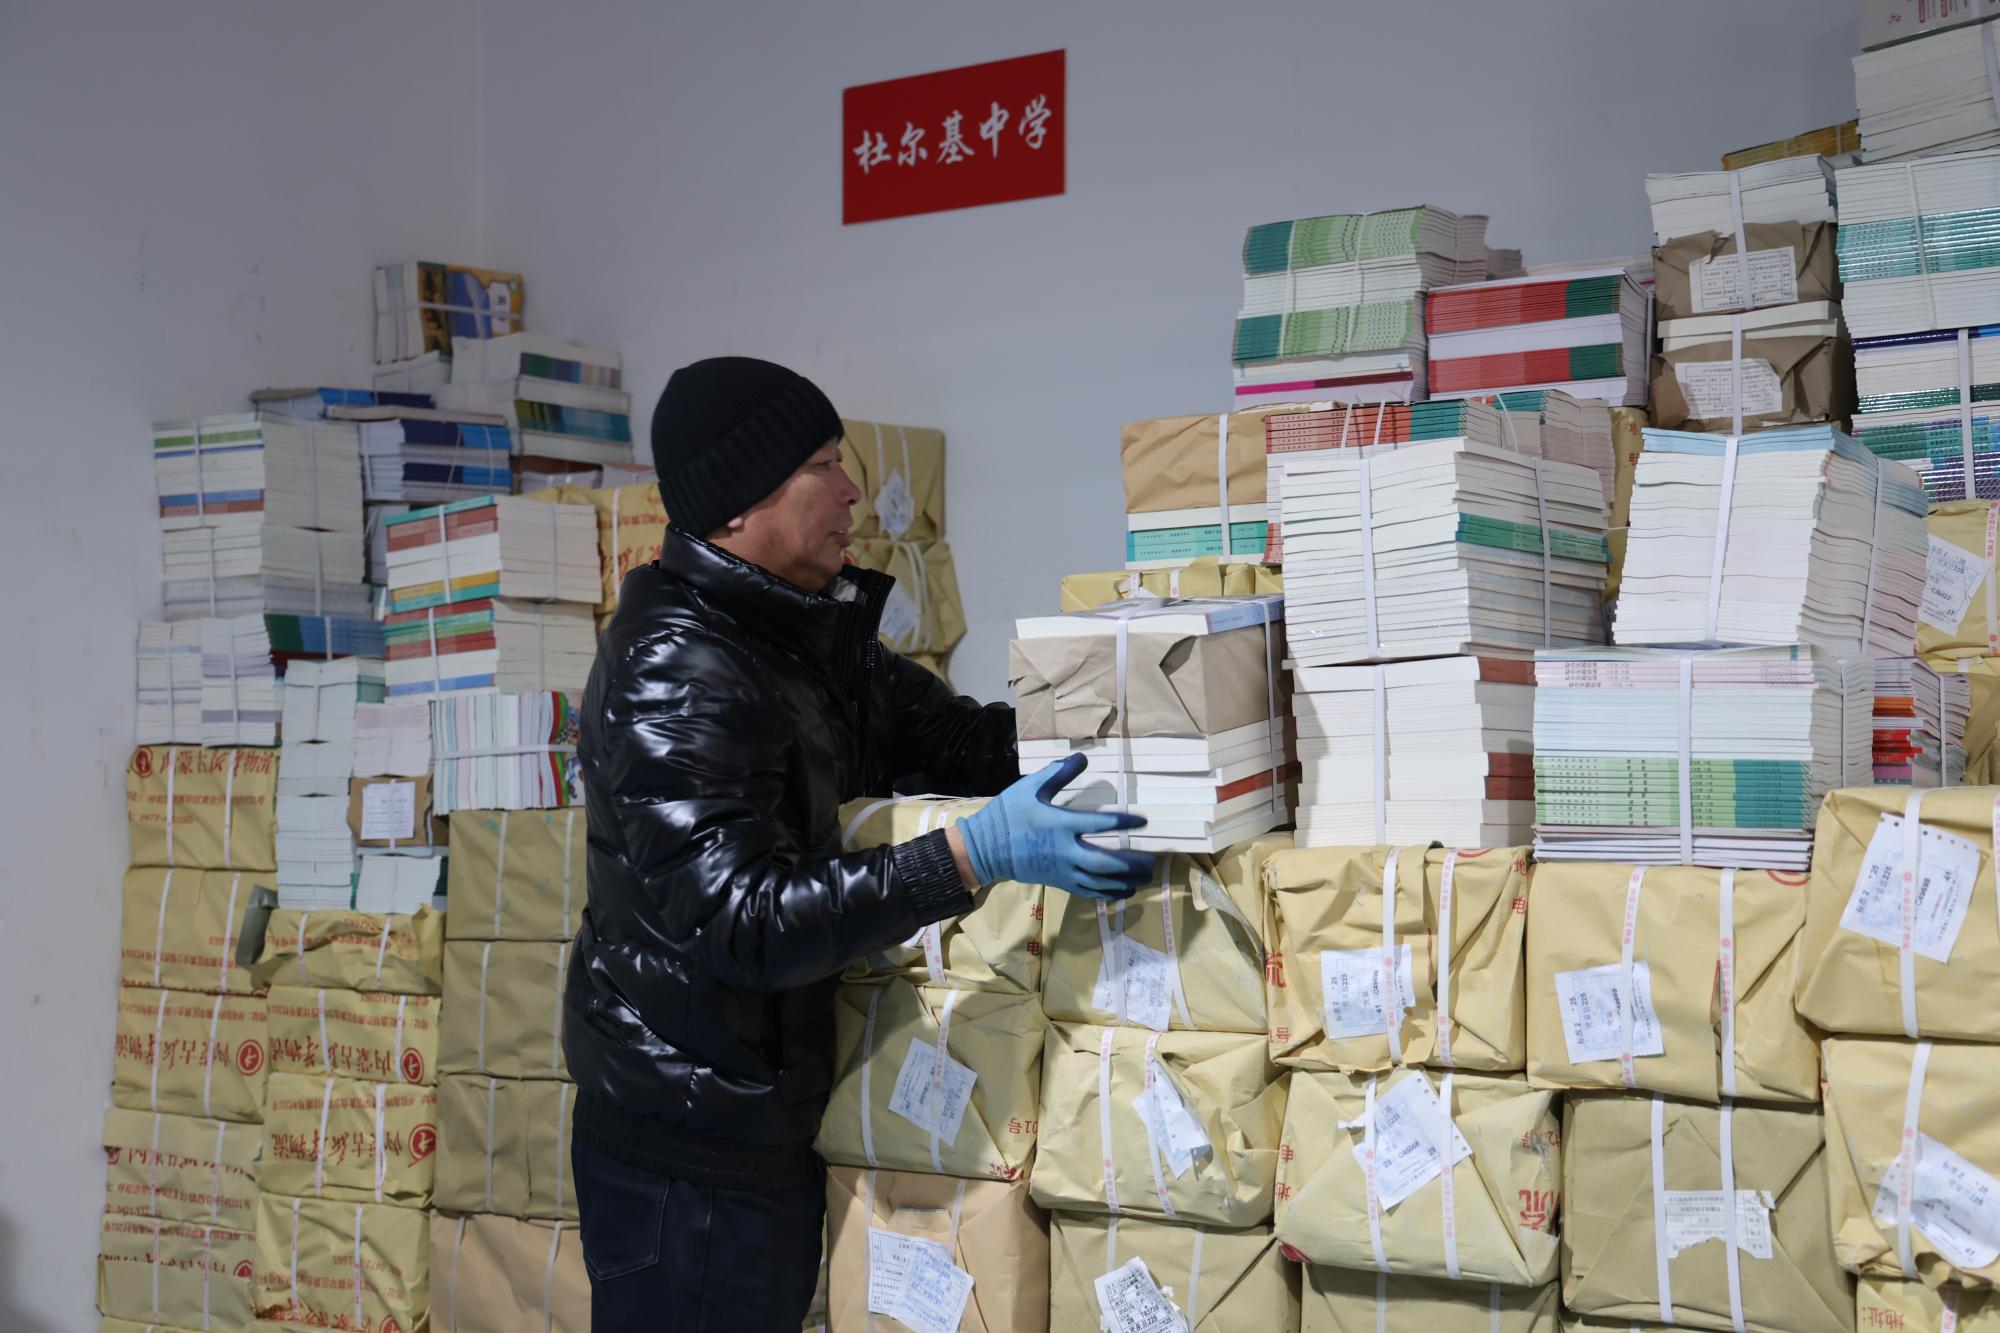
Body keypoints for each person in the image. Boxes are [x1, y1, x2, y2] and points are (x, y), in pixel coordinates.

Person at [563, 356, 1155, 1331]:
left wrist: (1144, 727)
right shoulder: (678, 667)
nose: (852, 493)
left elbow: (957, 739)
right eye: (822, 467)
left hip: (767, 1119)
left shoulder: (798, 638)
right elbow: (742, 921)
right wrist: (970, 855)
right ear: (738, 504)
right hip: (687, 1154)